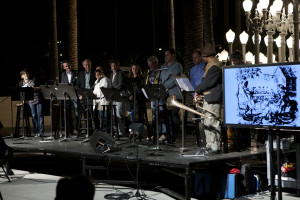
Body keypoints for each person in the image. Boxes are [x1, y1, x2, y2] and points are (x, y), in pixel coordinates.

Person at [195, 43, 222, 154]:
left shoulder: (215, 66)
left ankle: (215, 147)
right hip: (210, 97)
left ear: (207, 56)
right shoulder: (212, 65)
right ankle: (210, 145)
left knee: (212, 122)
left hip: (213, 98)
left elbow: (208, 82)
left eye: (203, 57)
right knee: (207, 122)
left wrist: (198, 90)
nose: (203, 59)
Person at [159, 48, 183, 143]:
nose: (166, 57)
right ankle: (168, 135)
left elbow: (173, 80)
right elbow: (160, 78)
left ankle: (175, 135)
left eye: (168, 54)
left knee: (174, 116)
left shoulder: (177, 66)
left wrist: (163, 87)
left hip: (175, 95)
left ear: (173, 55)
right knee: (166, 117)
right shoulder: (163, 66)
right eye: (165, 55)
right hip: (165, 96)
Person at [145, 56, 167, 141]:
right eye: (149, 65)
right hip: (152, 96)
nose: (150, 67)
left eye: (151, 65)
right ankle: (156, 133)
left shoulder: (161, 70)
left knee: (161, 114)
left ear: (156, 63)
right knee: (155, 116)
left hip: (160, 95)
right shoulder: (149, 72)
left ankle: (163, 133)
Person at [19, 69, 44, 137]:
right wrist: (23, 102)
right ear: (22, 76)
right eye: (24, 74)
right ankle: (36, 132)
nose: (26, 75)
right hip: (30, 101)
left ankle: (41, 132)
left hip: (38, 99)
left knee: (40, 115)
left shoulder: (34, 79)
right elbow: (22, 94)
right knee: (34, 115)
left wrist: (35, 88)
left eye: (27, 73)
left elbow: (41, 87)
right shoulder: (21, 83)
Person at [190, 49, 206, 147]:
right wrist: (194, 96)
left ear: (200, 57)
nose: (194, 59)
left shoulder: (205, 67)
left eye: (196, 57)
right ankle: (203, 140)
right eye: (193, 58)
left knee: (206, 119)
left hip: (206, 95)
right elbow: (192, 84)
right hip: (198, 97)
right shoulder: (192, 70)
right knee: (200, 119)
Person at [76, 59, 96, 135]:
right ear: (83, 66)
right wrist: (80, 95)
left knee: (93, 115)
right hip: (83, 96)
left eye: (89, 64)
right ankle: (88, 131)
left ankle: (96, 131)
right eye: (86, 65)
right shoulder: (80, 74)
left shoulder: (94, 73)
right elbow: (77, 86)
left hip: (91, 96)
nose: (87, 66)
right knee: (86, 114)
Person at [61, 60, 78, 136]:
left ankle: (78, 130)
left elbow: (78, 84)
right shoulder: (63, 74)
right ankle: (70, 131)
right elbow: (62, 85)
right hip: (67, 96)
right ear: (64, 67)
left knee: (77, 113)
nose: (68, 67)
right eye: (66, 66)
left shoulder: (76, 73)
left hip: (74, 95)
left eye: (68, 65)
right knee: (68, 114)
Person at [109, 59, 126, 136]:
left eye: (114, 65)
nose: (113, 67)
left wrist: (113, 91)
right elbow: (110, 84)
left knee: (119, 113)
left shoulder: (120, 73)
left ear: (118, 65)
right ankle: (117, 130)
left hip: (119, 95)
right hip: (113, 97)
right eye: (112, 65)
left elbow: (120, 84)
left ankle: (121, 131)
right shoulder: (111, 74)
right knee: (114, 114)